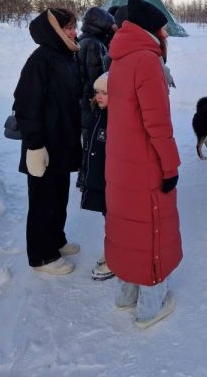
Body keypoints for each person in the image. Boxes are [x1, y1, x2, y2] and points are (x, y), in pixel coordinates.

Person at [105, 0, 182, 329]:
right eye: (163, 27)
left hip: (122, 162)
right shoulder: (148, 61)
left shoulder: (120, 58)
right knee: (152, 230)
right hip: (146, 163)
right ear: (153, 29)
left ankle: (126, 295)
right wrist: (170, 167)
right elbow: (158, 125)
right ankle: (150, 307)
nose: (166, 33)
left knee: (126, 227)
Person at [14, 8, 82, 275]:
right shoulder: (41, 59)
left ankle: (56, 240)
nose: (74, 33)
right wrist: (34, 145)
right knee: (43, 200)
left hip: (63, 141)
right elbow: (26, 103)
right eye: (68, 28)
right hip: (44, 144)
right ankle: (42, 256)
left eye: (75, 27)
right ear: (54, 30)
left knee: (59, 196)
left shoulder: (66, 56)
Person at [77, 7, 116, 189]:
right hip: (90, 101)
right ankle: (87, 179)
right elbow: (97, 77)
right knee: (91, 140)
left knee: (87, 139)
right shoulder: (93, 44)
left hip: (82, 99)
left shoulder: (83, 40)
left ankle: (84, 176)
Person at [80, 72, 114, 281]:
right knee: (107, 218)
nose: (99, 97)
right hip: (99, 179)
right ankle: (111, 249)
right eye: (97, 92)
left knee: (114, 220)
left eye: (105, 93)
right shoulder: (100, 113)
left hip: (111, 181)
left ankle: (116, 256)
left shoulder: (116, 117)